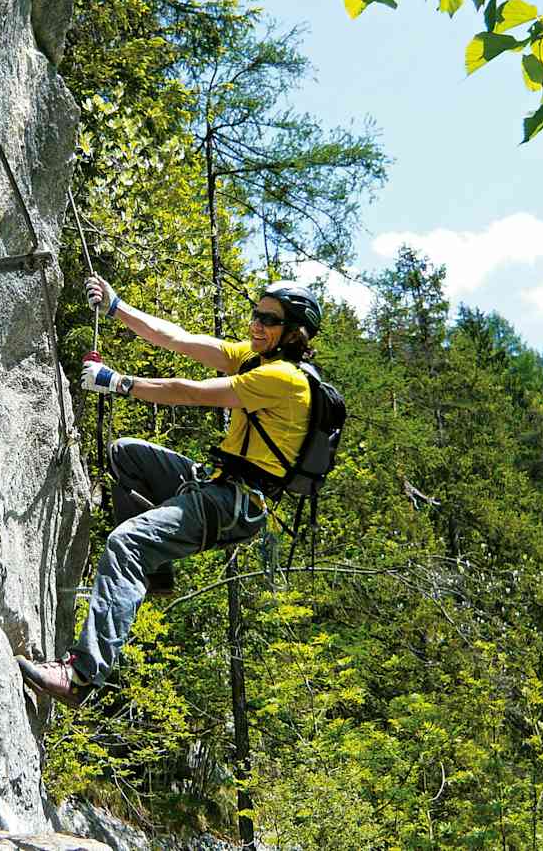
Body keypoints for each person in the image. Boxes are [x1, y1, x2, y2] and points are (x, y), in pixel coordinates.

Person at [18, 274, 323, 707]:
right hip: (216, 485)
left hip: (235, 504)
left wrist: (119, 382)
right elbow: (178, 338)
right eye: (255, 313)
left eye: (268, 319)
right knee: (127, 454)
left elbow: (194, 394)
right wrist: (115, 306)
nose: (256, 324)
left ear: (294, 332)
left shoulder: (283, 378)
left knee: (126, 543)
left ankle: (81, 676)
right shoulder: (254, 359)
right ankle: (155, 573)